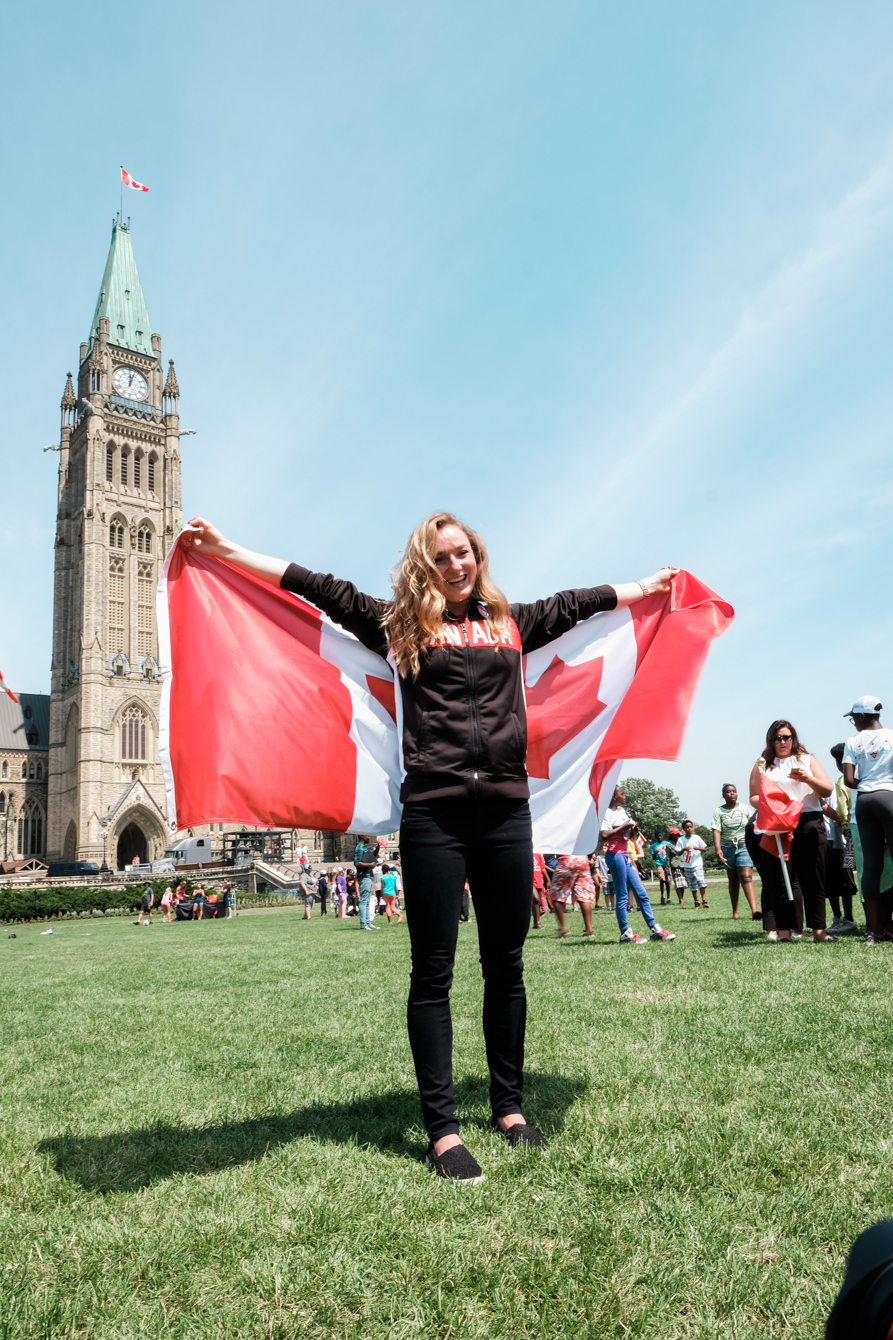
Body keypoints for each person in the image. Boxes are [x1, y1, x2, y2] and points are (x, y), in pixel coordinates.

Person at [183, 508, 676, 1182]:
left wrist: (646, 587)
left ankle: (508, 1107)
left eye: (462, 552)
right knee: (433, 973)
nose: (455, 565)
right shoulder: (400, 627)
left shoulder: (511, 623)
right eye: (441, 557)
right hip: (433, 817)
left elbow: (578, 604)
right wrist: (228, 550)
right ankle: (442, 1131)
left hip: (506, 814)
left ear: (478, 556)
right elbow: (316, 587)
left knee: (506, 967)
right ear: (425, 566)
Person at [746, 719, 836, 944]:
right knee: (778, 879)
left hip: (808, 821)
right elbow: (754, 797)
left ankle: (819, 931)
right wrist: (773, 804)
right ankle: (784, 932)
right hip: (777, 824)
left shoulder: (807, 759)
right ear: (771, 741)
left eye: (787, 737)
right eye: (778, 738)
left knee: (813, 878)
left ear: (793, 738)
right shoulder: (762, 764)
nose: (783, 741)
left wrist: (807, 778)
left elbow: (827, 789)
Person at [842, 696, 893, 945]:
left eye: (853, 718)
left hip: (864, 802)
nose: (854, 723)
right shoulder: (891, 737)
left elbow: (848, 780)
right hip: (889, 798)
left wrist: (869, 784)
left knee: (871, 867)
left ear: (862, 716)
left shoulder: (852, 741)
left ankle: (874, 931)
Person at [601, 784, 675, 944]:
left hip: (625, 855)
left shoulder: (621, 811)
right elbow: (604, 835)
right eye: (622, 793)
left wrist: (633, 831)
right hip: (615, 855)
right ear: (614, 796)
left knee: (641, 893)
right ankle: (625, 935)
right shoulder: (606, 813)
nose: (624, 796)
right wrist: (624, 827)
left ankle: (654, 930)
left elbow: (627, 835)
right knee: (622, 895)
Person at [822, 745, 858, 934]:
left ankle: (847, 918)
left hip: (840, 843)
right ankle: (840, 918)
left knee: (843, 882)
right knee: (835, 883)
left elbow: (840, 815)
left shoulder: (840, 784)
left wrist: (820, 804)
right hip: (845, 840)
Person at [711, 785, 758, 919]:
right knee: (733, 880)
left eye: (734, 791)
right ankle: (735, 911)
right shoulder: (718, 811)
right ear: (723, 795)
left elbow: (753, 825)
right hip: (727, 848)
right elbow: (716, 830)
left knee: (746, 877)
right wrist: (718, 848)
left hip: (745, 846)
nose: (731, 794)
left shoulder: (745, 808)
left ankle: (755, 911)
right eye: (728, 792)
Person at [548, 855, 596, 938]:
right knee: (583, 895)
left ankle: (563, 929)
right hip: (583, 860)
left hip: (566, 860)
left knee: (556, 894)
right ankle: (589, 930)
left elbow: (547, 856)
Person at [675, 821, 709, 908]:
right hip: (688, 865)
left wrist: (697, 848)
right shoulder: (681, 840)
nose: (689, 829)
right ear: (683, 829)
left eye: (690, 827)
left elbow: (705, 849)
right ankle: (696, 902)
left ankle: (704, 901)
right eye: (687, 827)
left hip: (697, 863)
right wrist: (684, 849)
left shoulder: (697, 838)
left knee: (701, 881)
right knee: (692, 884)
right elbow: (678, 853)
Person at [354, 836, 379, 930]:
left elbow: (370, 857)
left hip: (368, 877)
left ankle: (368, 922)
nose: (369, 837)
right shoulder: (359, 847)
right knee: (364, 901)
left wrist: (377, 849)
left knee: (367, 901)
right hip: (364, 876)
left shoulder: (364, 848)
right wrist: (370, 865)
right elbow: (357, 863)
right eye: (367, 836)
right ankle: (363, 924)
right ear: (363, 836)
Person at [650, 831, 671, 905]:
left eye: (660, 836)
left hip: (667, 864)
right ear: (655, 837)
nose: (659, 837)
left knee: (668, 881)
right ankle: (662, 896)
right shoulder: (654, 845)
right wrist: (655, 853)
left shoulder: (667, 844)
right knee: (662, 879)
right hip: (659, 863)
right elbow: (653, 858)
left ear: (662, 836)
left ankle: (668, 898)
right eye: (657, 836)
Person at [531, 853, 548, 929]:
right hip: (530, 881)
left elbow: (542, 867)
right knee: (536, 899)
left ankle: (536, 923)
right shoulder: (525, 853)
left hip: (538, 881)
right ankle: (537, 923)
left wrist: (548, 880)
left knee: (538, 902)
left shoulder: (538, 854)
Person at [595, 842, 613, 911]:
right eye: (603, 848)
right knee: (606, 893)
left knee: (612, 893)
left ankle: (613, 906)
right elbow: (597, 867)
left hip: (611, 877)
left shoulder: (611, 856)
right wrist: (599, 875)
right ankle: (608, 906)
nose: (604, 850)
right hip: (604, 878)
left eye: (605, 848)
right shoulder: (599, 858)